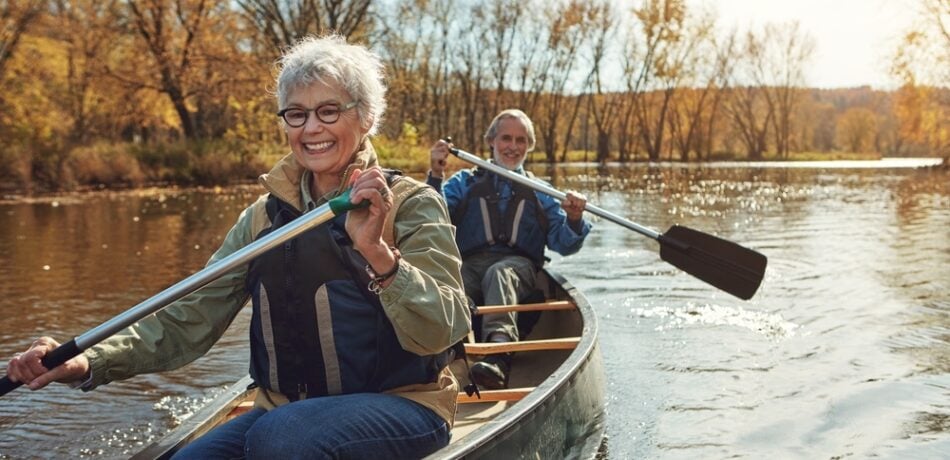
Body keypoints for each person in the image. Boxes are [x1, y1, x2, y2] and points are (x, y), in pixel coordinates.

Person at [4, 35, 471, 459]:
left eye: (329, 110)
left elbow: (444, 329)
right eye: (297, 113)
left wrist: (378, 255)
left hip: (403, 406)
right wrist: (88, 361)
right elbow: (188, 318)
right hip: (283, 412)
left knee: (283, 437)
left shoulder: (412, 203)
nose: (311, 128)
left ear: (367, 117)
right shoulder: (263, 219)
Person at [427, 109, 591, 390]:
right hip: (470, 264)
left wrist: (575, 218)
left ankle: (499, 354)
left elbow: (564, 244)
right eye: (506, 138)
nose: (513, 147)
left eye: (521, 140)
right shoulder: (463, 183)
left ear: (529, 146)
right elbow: (431, 218)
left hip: (519, 268)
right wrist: (436, 174)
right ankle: (442, 355)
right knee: (452, 279)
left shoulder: (541, 191)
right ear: (491, 140)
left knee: (499, 273)